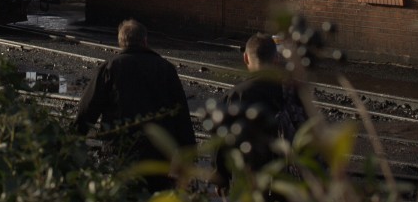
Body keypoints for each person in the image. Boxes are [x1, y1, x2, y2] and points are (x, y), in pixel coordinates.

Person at [74, 18, 196, 193]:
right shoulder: (166, 68)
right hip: (158, 153)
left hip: (119, 151)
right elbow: (181, 115)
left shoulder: (110, 68)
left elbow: (88, 110)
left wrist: (74, 139)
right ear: (145, 41)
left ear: (121, 43)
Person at [212, 33, 308, 191]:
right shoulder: (293, 92)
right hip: (286, 180)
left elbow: (222, 142)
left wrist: (221, 176)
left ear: (246, 58)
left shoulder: (236, 95)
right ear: (276, 58)